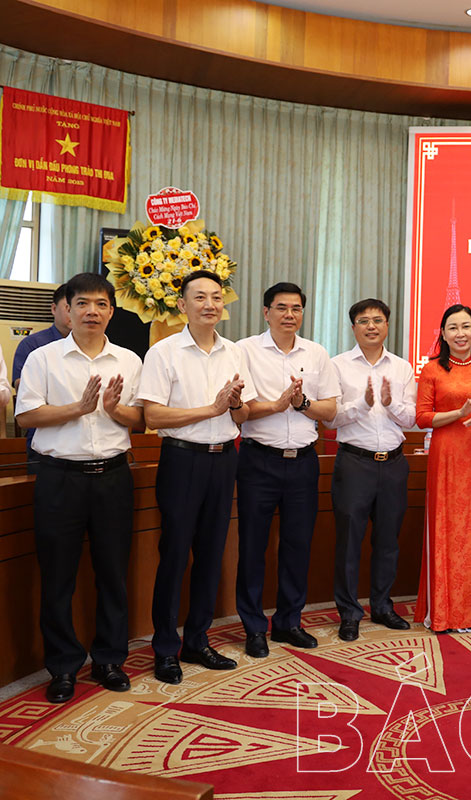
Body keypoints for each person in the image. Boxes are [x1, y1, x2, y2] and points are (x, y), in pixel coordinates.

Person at [14, 272, 143, 703]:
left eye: (101, 304)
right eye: (83, 303)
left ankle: (109, 659)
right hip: (59, 478)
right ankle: (64, 667)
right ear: (67, 308)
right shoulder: (43, 358)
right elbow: (25, 418)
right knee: (58, 578)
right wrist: (78, 409)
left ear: (111, 310)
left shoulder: (128, 360)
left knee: (113, 574)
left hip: (113, 477)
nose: (92, 311)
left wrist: (113, 410)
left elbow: (139, 421)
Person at [139, 270, 256, 684]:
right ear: (182, 305)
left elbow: (242, 415)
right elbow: (152, 416)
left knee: (211, 553)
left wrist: (235, 404)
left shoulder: (235, 353)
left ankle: (197, 639)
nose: (210, 304)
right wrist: (211, 408)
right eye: (200, 297)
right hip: (182, 460)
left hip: (224, 460)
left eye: (216, 297)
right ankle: (166, 648)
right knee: (175, 555)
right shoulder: (164, 352)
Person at [236, 282, 338, 656]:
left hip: (304, 463)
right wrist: (278, 405)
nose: (289, 315)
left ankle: (288, 622)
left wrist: (302, 402)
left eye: (296, 308)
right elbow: (240, 409)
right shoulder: (244, 350)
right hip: (258, 460)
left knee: (297, 545)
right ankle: (253, 627)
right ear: (266, 312)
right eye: (281, 308)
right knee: (253, 546)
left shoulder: (316, 353)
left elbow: (330, 411)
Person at [328, 298, 417, 641]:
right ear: (353, 328)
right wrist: (361, 404)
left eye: (377, 320)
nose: (371, 326)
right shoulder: (337, 366)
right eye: (363, 321)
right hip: (354, 463)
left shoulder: (402, 367)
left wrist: (390, 402)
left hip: (393, 463)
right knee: (349, 542)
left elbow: (411, 419)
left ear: (387, 325)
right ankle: (349, 613)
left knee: (387, 541)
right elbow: (331, 418)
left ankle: (382, 606)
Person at [414, 304, 471, 633]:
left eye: (466, 326)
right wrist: (458, 413)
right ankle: (444, 613)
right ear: (443, 333)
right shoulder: (433, 369)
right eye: (453, 327)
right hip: (446, 454)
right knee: (446, 529)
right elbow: (422, 418)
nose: (460, 333)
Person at [12, 283, 71, 470]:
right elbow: (25, 393)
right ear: (54, 309)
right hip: (44, 440)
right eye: (69, 307)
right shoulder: (32, 345)